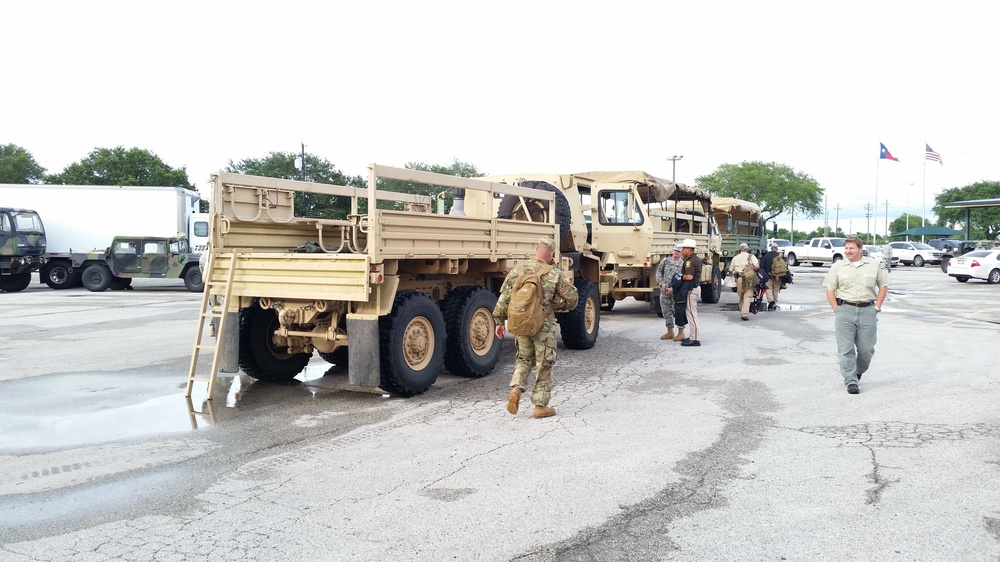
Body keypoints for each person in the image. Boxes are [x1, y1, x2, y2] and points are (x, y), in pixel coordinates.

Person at [494, 237, 579, 418]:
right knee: (544, 363)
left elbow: (504, 299)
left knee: (524, 359)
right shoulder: (554, 273)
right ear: (551, 254)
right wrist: (559, 305)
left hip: (521, 323)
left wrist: (499, 322)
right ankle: (540, 406)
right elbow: (572, 298)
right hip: (543, 325)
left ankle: (516, 389)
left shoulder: (518, 270)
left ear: (536, 250)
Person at [823, 236, 889, 395]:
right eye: (846, 248)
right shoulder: (838, 266)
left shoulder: (874, 265)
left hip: (868, 310)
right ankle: (851, 381)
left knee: (867, 350)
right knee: (845, 349)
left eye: (851, 248)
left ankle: (858, 371)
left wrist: (877, 307)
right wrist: (836, 309)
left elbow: (883, 286)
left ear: (860, 249)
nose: (848, 251)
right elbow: (830, 289)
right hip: (845, 309)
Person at [673, 238, 702, 347]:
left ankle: (695, 339)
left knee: (692, 314)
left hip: (691, 289)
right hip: (694, 288)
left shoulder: (690, 261)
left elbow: (689, 276)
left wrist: (680, 277)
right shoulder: (696, 259)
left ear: (689, 249)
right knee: (691, 313)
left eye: (684, 248)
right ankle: (693, 336)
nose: (682, 250)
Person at [655, 244, 684, 340]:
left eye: (679, 251)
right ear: (672, 251)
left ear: (681, 253)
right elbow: (659, 272)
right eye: (675, 250)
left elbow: (683, 278)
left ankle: (681, 332)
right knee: (666, 310)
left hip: (677, 291)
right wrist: (661, 283)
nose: (676, 252)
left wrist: (675, 289)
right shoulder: (665, 261)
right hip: (665, 290)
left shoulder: (682, 264)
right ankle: (670, 331)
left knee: (679, 311)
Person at [728, 242, 760, 321]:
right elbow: (757, 266)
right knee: (748, 296)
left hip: (739, 278)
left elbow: (730, 271)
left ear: (740, 249)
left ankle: (742, 310)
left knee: (741, 295)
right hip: (749, 279)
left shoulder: (735, 258)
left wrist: (730, 276)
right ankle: (744, 314)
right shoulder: (751, 256)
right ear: (747, 249)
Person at [759, 242, 783, 310]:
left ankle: (771, 300)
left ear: (771, 248)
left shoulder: (766, 256)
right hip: (778, 276)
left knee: (768, 288)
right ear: (777, 248)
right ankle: (774, 302)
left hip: (768, 276)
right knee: (776, 289)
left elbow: (762, 267)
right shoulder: (780, 256)